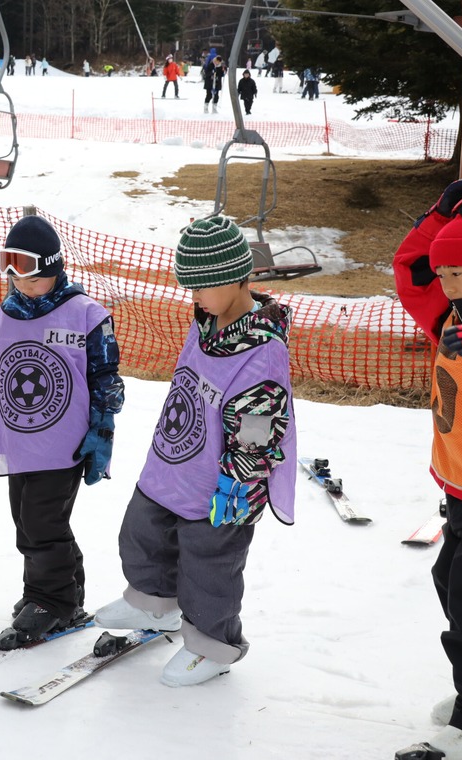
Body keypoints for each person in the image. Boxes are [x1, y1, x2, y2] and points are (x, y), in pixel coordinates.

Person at [93, 215, 296, 687]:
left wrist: (239, 482)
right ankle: (154, 605)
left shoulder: (261, 349)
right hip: (173, 464)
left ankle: (212, 646)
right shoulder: (206, 321)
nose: (194, 296)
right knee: (142, 533)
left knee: (210, 567)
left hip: (222, 481)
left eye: (201, 286)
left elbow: (257, 423)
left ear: (234, 277)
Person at [0, 216, 123, 649]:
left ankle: (49, 599)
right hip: (20, 443)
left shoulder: (86, 315)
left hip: (63, 446)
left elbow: (107, 382)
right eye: (9, 268)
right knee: (27, 519)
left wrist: (101, 434)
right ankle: (64, 595)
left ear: (53, 267)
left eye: (28, 270)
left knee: (42, 521)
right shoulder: (3, 317)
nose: (18, 280)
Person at [392, 178, 462, 760]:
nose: (444, 281)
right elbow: (413, 267)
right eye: (444, 271)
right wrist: (445, 210)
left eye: (459, 270)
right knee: (452, 585)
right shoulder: (450, 315)